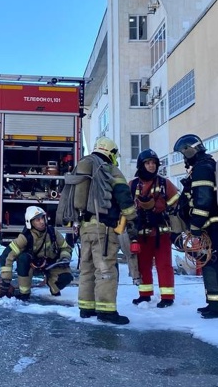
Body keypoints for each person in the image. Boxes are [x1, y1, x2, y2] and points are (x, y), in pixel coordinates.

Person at [70, 136, 137, 325]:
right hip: (104, 230)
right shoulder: (111, 170)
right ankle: (107, 311)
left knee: (87, 268)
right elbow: (124, 199)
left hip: (85, 227)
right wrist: (132, 220)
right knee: (106, 269)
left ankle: (86, 307)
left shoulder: (86, 168)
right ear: (111, 152)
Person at [174, 134, 218, 319]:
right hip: (212, 226)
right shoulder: (205, 166)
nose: (184, 158)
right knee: (210, 264)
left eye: (184, 153)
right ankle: (215, 302)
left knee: (215, 265)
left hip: (212, 227)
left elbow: (203, 199)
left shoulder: (202, 169)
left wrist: (196, 225)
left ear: (190, 150)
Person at [129, 149, 180, 308]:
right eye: (148, 163)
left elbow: (177, 206)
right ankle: (144, 295)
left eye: (154, 163)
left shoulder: (165, 184)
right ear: (141, 165)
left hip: (161, 233)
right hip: (141, 234)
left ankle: (167, 296)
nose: (151, 166)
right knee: (142, 265)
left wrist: (170, 222)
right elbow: (125, 208)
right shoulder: (132, 185)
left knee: (164, 265)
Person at [0, 206, 73, 301]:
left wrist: (64, 257)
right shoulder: (25, 237)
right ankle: (24, 293)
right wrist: (6, 280)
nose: (42, 221)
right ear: (30, 223)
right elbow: (6, 256)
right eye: (37, 220)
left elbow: (65, 247)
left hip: (51, 264)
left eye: (42, 218)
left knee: (67, 277)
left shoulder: (52, 232)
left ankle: (53, 284)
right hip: (31, 266)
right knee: (23, 258)